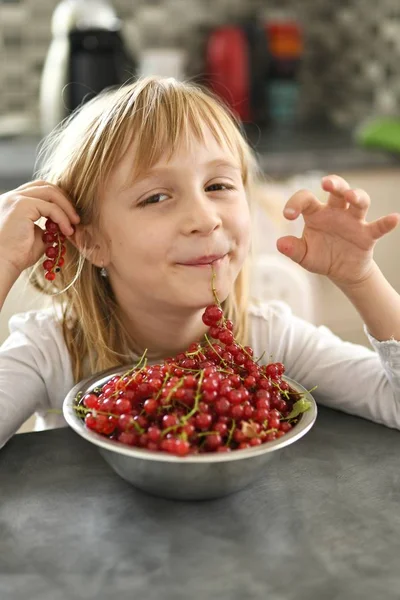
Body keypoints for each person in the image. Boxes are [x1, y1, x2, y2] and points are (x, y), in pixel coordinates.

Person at [0, 76, 399, 450]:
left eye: (218, 186)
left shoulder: (268, 340)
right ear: (91, 241)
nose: (205, 219)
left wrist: (360, 278)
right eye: (156, 197)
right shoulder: (50, 351)